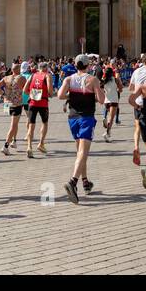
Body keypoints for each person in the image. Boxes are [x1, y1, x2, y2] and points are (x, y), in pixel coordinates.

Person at [57, 56, 105, 203]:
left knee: (80, 153)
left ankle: (85, 181)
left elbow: (59, 96)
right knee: (84, 152)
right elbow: (102, 100)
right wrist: (96, 94)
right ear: (87, 65)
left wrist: (71, 95)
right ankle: (73, 182)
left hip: (72, 118)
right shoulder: (92, 79)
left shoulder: (69, 79)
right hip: (86, 117)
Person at [0, 64, 27, 155]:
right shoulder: (22, 78)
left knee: (14, 123)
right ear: (18, 69)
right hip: (16, 104)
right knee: (13, 125)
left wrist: (3, 94)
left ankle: (14, 141)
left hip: (7, 103)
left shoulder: (6, 78)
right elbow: (27, 89)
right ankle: (5, 146)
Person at [24, 61, 52, 158]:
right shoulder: (47, 76)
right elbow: (50, 91)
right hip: (43, 103)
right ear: (45, 68)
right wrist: (49, 94)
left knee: (31, 125)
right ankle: (41, 143)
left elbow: (24, 90)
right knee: (44, 123)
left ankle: (29, 147)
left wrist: (33, 94)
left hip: (32, 102)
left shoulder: (32, 75)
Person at [100, 60, 123, 143]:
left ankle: (106, 123)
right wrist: (117, 89)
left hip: (106, 101)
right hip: (114, 100)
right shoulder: (116, 79)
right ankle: (106, 134)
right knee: (111, 119)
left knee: (110, 116)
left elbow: (101, 90)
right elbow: (121, 89)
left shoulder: (103, 80)